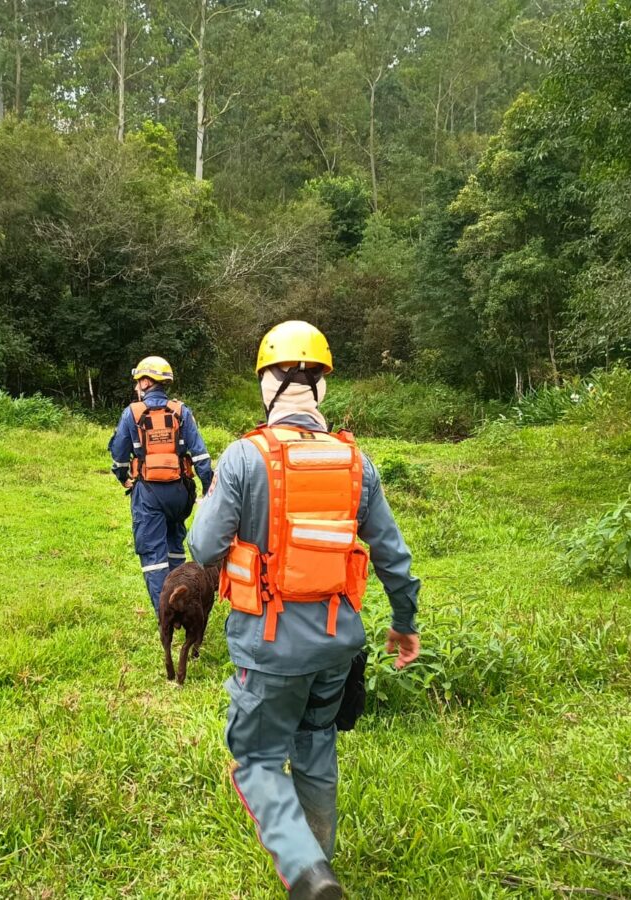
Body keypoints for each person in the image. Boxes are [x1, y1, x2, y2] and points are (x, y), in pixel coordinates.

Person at [188, 321, 421, 900]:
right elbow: (392, 554)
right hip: (338, 644)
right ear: (321, 387)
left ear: (267, 383)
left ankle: (308, 873)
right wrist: (404, 624)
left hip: (269, 650)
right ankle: (323, 858)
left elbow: (203, 547)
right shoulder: (354, 462)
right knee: (316, 744)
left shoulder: (244, 457)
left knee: (257, 761)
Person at [109, 356, 214, 616]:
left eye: (138, 382)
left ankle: (166, 614)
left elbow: (119, 454)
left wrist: (122, 476)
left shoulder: (132, 413)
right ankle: (184, 604)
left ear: (146, 381)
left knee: (153, 556)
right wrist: (209, 488)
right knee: (174, 549)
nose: (136, 388)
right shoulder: (181, 411)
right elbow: (200, 455)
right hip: (179, 494)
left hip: (148, 494)